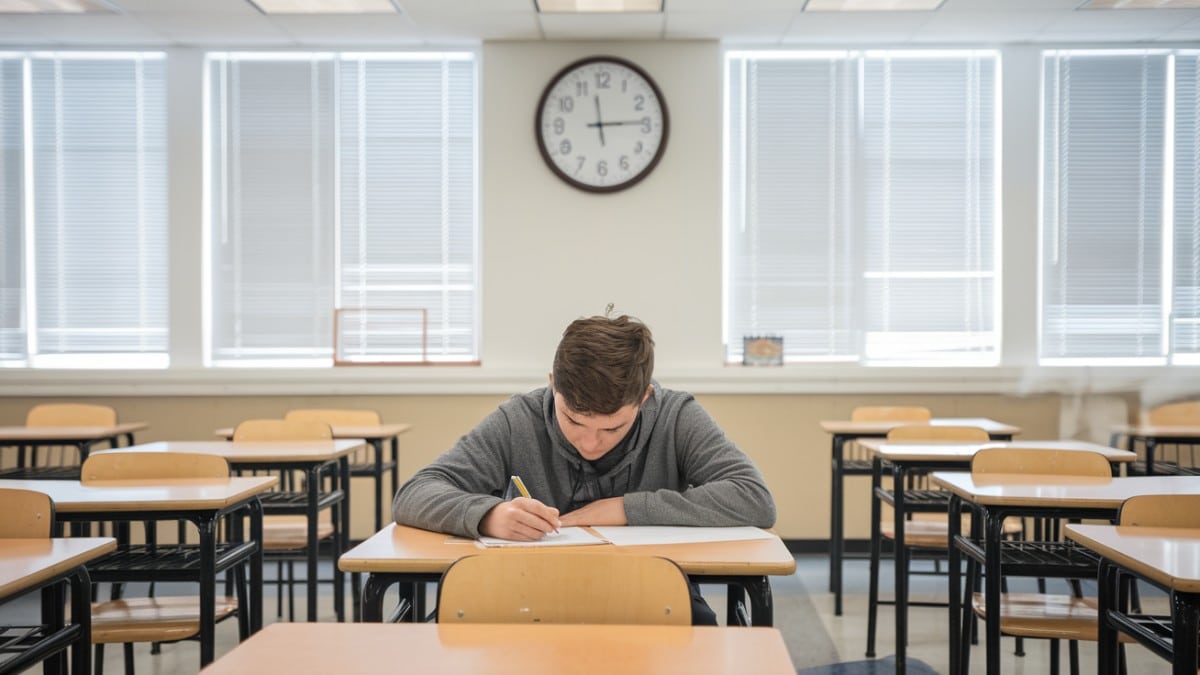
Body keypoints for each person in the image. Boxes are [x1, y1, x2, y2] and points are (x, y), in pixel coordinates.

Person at [391, 312, 777, 625]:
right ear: (553, 384)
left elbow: (753, 498)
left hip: (653, 599)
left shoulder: (676, 417)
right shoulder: (518, 419)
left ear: (644, 398)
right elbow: (414, 494)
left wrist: (624, 509)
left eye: (613, 428)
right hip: (528, 597)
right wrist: (488, 514)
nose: (591, 443)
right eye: (573, 421)